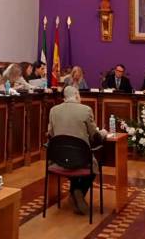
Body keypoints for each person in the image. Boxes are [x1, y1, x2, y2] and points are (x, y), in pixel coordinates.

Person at [48, 86, 106, 215]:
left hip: (59, 157)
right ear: (76, 95)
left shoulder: (53, 110)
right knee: (93, 167)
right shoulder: (85, 110)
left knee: (71, 162)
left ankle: (74, 194)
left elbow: (51, 133)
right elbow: (94, 136)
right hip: (81, 157)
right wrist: (103, 133)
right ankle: (77, 190)